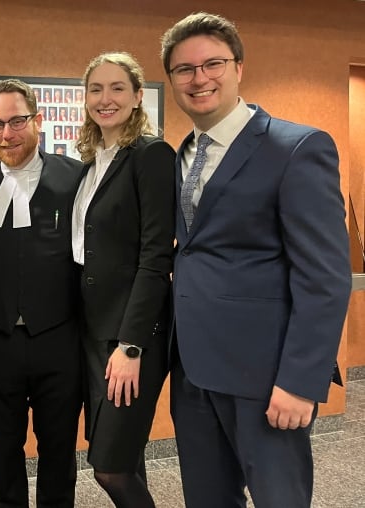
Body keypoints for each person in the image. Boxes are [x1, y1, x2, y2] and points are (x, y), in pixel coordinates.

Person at [160, 12, 350, 508]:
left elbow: (325, 278)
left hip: (266, 377)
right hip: (195, 372)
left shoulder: (296, 148)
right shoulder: (183, 152)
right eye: (184, 69)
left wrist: (300, 382)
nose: (199, 78)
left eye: (213, 64)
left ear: (239, 68)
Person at [0, 79, 83, 508]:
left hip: (58, 339)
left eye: (16, 121)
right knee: (2, 451)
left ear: (37, 120)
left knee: (58, 450)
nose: (6, 134)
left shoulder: (75, 176)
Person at [74, 52, 175, 508]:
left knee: (110, 466)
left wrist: (131, 344)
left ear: (137, 96)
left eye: (117, 88)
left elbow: (155, 257)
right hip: (92, 335)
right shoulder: (92, 160)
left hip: (131, 337)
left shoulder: (150, 155)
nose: (105, 98)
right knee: (126, 457)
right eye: (96, 89)